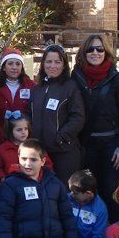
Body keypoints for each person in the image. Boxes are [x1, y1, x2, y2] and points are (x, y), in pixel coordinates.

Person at [71, 35, 119, 224]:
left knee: (110, 189)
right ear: (84, 52)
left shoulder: (118, 78)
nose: (95, 53)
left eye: (99, 49)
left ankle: (111, 234)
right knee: (88, 189)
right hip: (87, 144)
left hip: (111, 145)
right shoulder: (76, 77)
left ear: (106, 52)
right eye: (90, 49)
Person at [29, 44, 85, 185]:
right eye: (48, 61)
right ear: (43, 64)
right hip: (40, 151)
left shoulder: (70, 87)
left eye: (57, 62)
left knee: (64, 190)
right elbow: (30, 114)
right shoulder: (37, 88)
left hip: (63, 151)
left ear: (64, 65)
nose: (52, 66)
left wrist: (60, 137)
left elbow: (78, 117)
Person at [0, 48, 35, 153]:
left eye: (18, 64)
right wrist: (2, 136)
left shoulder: (31, 86)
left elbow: (35, 112)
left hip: (25, 142)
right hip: (0, 142)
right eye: (10, 64)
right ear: (4, 67)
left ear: (22, 67)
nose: (14, 67)